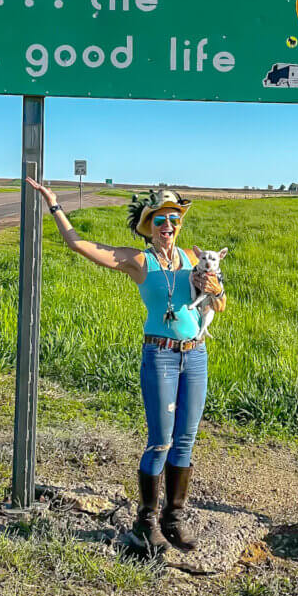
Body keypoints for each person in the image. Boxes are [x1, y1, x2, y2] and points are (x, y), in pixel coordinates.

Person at [25, 179, 226, 553]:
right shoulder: (139, 261)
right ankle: (145, 522)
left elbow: (217, 306)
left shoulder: (193, 260)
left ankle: (174, 518)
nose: (168, 226)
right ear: (149, 227)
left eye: (174, 220)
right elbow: (80, 245)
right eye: (161, 220)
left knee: (186, 440)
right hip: (161, 356)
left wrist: (215, 291)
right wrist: (54, 205)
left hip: (195, 355)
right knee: (161, 440)